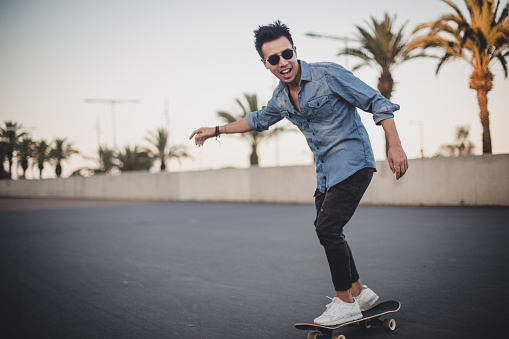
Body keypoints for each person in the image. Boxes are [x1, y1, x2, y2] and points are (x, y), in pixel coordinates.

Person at [189, 20, 408, 326]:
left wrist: (395, 146)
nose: (283, 63)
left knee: (327, 227)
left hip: (354, 162)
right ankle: (360, 292)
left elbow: (375, 101)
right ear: (265, 64)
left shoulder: (328, 74)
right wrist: (215, 130)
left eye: (286, 53)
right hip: (326, 174)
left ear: (295, 50)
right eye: (274, 59)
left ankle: (345, 301)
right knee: (328, 228)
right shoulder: (280, 98)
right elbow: (257, 120)